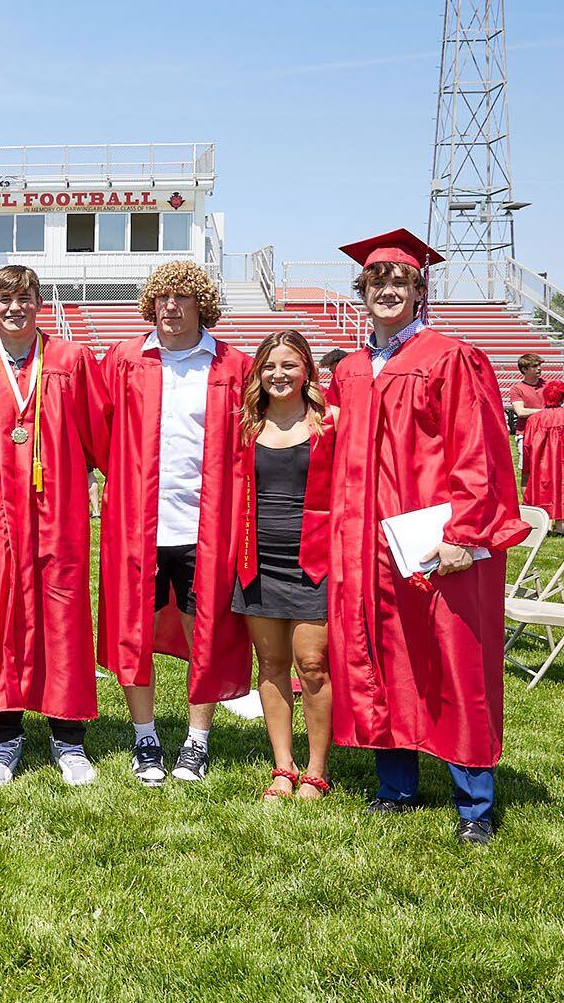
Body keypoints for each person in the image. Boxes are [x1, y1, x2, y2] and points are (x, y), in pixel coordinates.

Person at [328, 228, 528, 845]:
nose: (387, 290)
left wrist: (464, 533)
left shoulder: (450, 358)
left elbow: (479, 454)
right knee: (384, 655)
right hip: (368, 544)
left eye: (400, 282)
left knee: (454, 659)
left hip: (436, 542)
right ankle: (396, 786)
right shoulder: (352, 370)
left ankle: (475, 803)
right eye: (376, 282)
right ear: (362, 293)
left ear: (419, 292)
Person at [0, 265, 105, 786]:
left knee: (63, 617)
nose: (14, 307)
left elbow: (101, 432)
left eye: (25, 298)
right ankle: (4, 736)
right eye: (4, 299)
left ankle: (68, 738)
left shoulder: (70, 360)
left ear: (39, 302)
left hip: (59, 514)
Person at [97, 260, 253, 786]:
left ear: (201, 306)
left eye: (182, 298)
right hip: (136, 526)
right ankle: (145, 736)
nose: (170, 306)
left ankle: (196, 740)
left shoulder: (233, 366)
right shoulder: (125, 359)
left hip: (203, 528)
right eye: (162, 298)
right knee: (132, 633)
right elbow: (98, 431)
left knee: (202, 630)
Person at [230, 330, 333, 801]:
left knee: (312, 665)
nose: (279, 375)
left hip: (315, 560)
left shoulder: (329, 423)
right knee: (270, 664)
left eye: (289, 365)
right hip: (258, 560)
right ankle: (282, 767)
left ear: (307, 368)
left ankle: (316, 768)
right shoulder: (246, 425)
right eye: (269, 367)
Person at [522, 380, 564, 532]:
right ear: (563, 397)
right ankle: (561, 527)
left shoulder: (534, 420)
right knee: (563, 487)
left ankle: (546, 525)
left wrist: (527, 466)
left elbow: (527, 445)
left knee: (543, 489)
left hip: (542, 463)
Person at [507, 353, 547, 434]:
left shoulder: (549, 385)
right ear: (524, 369)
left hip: (547, 431)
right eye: (534, 366)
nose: (539, 368)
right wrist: (545, 411)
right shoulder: (517, 389)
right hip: (526, 432)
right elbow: (521, 412)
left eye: (539, 365)